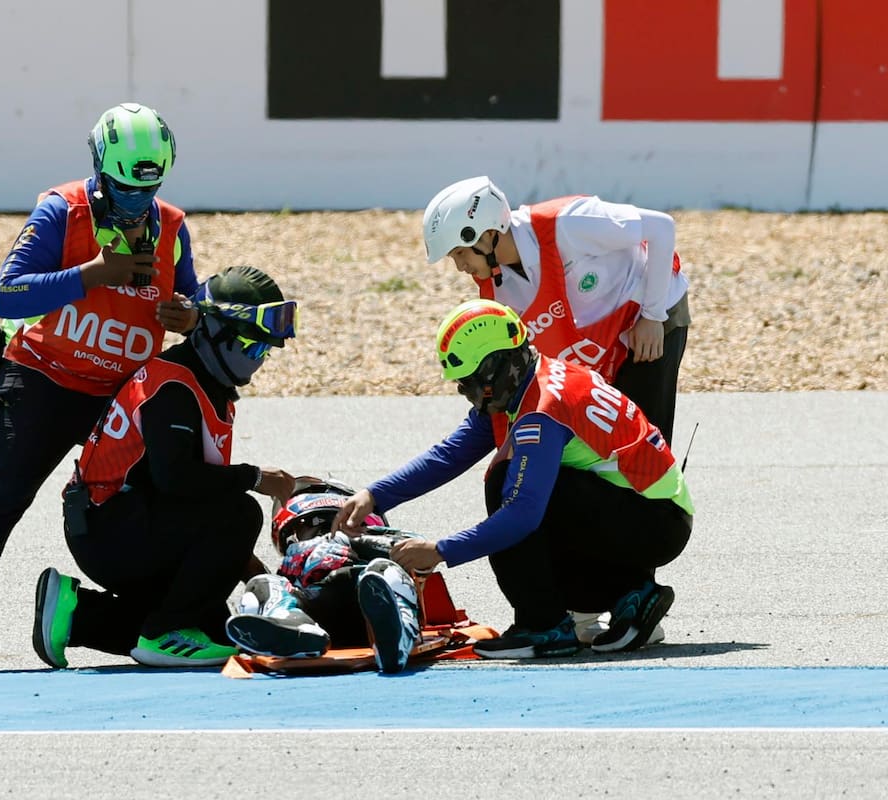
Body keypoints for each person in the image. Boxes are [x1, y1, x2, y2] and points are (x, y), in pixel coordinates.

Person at [0, 102, 199, 673]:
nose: (136, 203)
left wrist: (190, 314)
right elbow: (7, 295)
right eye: (123, 189)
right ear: (99, 167)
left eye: (148, 189)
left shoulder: (173, 226)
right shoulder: (62, 210)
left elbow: (191, 296)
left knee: (161, 498)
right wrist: (95, 274)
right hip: (42, 380)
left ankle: (143, 620)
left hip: (119, 395)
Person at [332, 299, 694, 659]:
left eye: (469, 382)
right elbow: (450, 454)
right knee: (525, 496)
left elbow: (522, 515)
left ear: (496, 368)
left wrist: (440, 551)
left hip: (654, 522)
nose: (467, 394)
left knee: (504, 480)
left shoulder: (542, 411)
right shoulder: (531, 379)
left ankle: (543, 626)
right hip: (652, 515)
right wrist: (373, 496)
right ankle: (631, 593)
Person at [31, 265, 300, 669]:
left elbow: (198, 506)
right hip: (111, 533)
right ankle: (165, 631)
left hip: (121, 526)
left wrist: (257, 576)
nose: (259, 361)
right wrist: (257, 477)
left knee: (217, 632)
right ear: (214, 332)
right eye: (252, 348)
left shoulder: (202, 380)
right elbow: (177, 480)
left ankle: (74, 614)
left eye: (266, 352)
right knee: (242, 511)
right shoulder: (174, 386)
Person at [422, 176, 690, 445]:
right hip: (601, 339)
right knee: (605, 442)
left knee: (644, 440)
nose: (460, 267)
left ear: (488, 234)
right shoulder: (497, 288)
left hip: (649, 315)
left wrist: (652, 316)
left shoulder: (567, 222)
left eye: (460, 253)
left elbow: (662, 228)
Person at [223, 477, 424, 674]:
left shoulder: (375, 537)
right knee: (261, 585)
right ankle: (296, 630)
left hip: (368, 597)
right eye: (311, 526)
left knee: (384, 571)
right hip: (318, 613)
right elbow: (268, 581)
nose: (321, 531)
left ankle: (395, 637)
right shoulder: (293, 561)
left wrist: (355, 542)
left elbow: (418, 550)